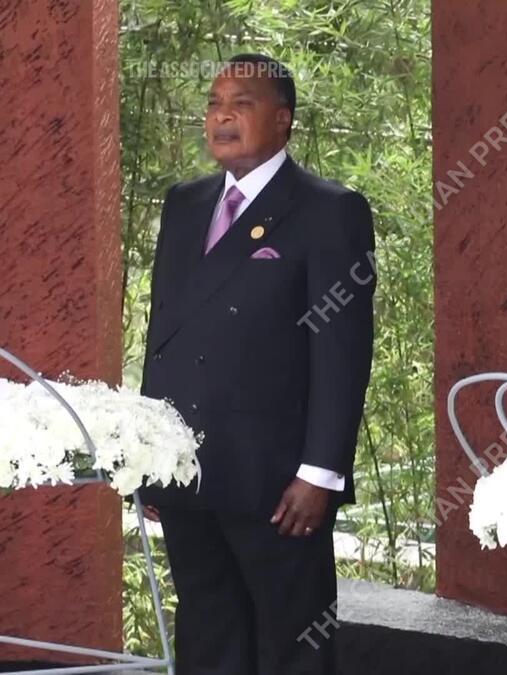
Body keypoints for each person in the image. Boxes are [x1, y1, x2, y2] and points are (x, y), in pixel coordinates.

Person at [137, 54, 376, 674]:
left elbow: (343, 352)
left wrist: (320, 473)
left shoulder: (328, 210)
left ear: (283, 119)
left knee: (293, 646)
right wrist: (148, 456)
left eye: (241, 104)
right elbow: (165, 334)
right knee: (208, 638)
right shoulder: (185, 203)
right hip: (187, 470)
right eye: (214, 104)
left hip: (278, 483)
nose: (222, 116)